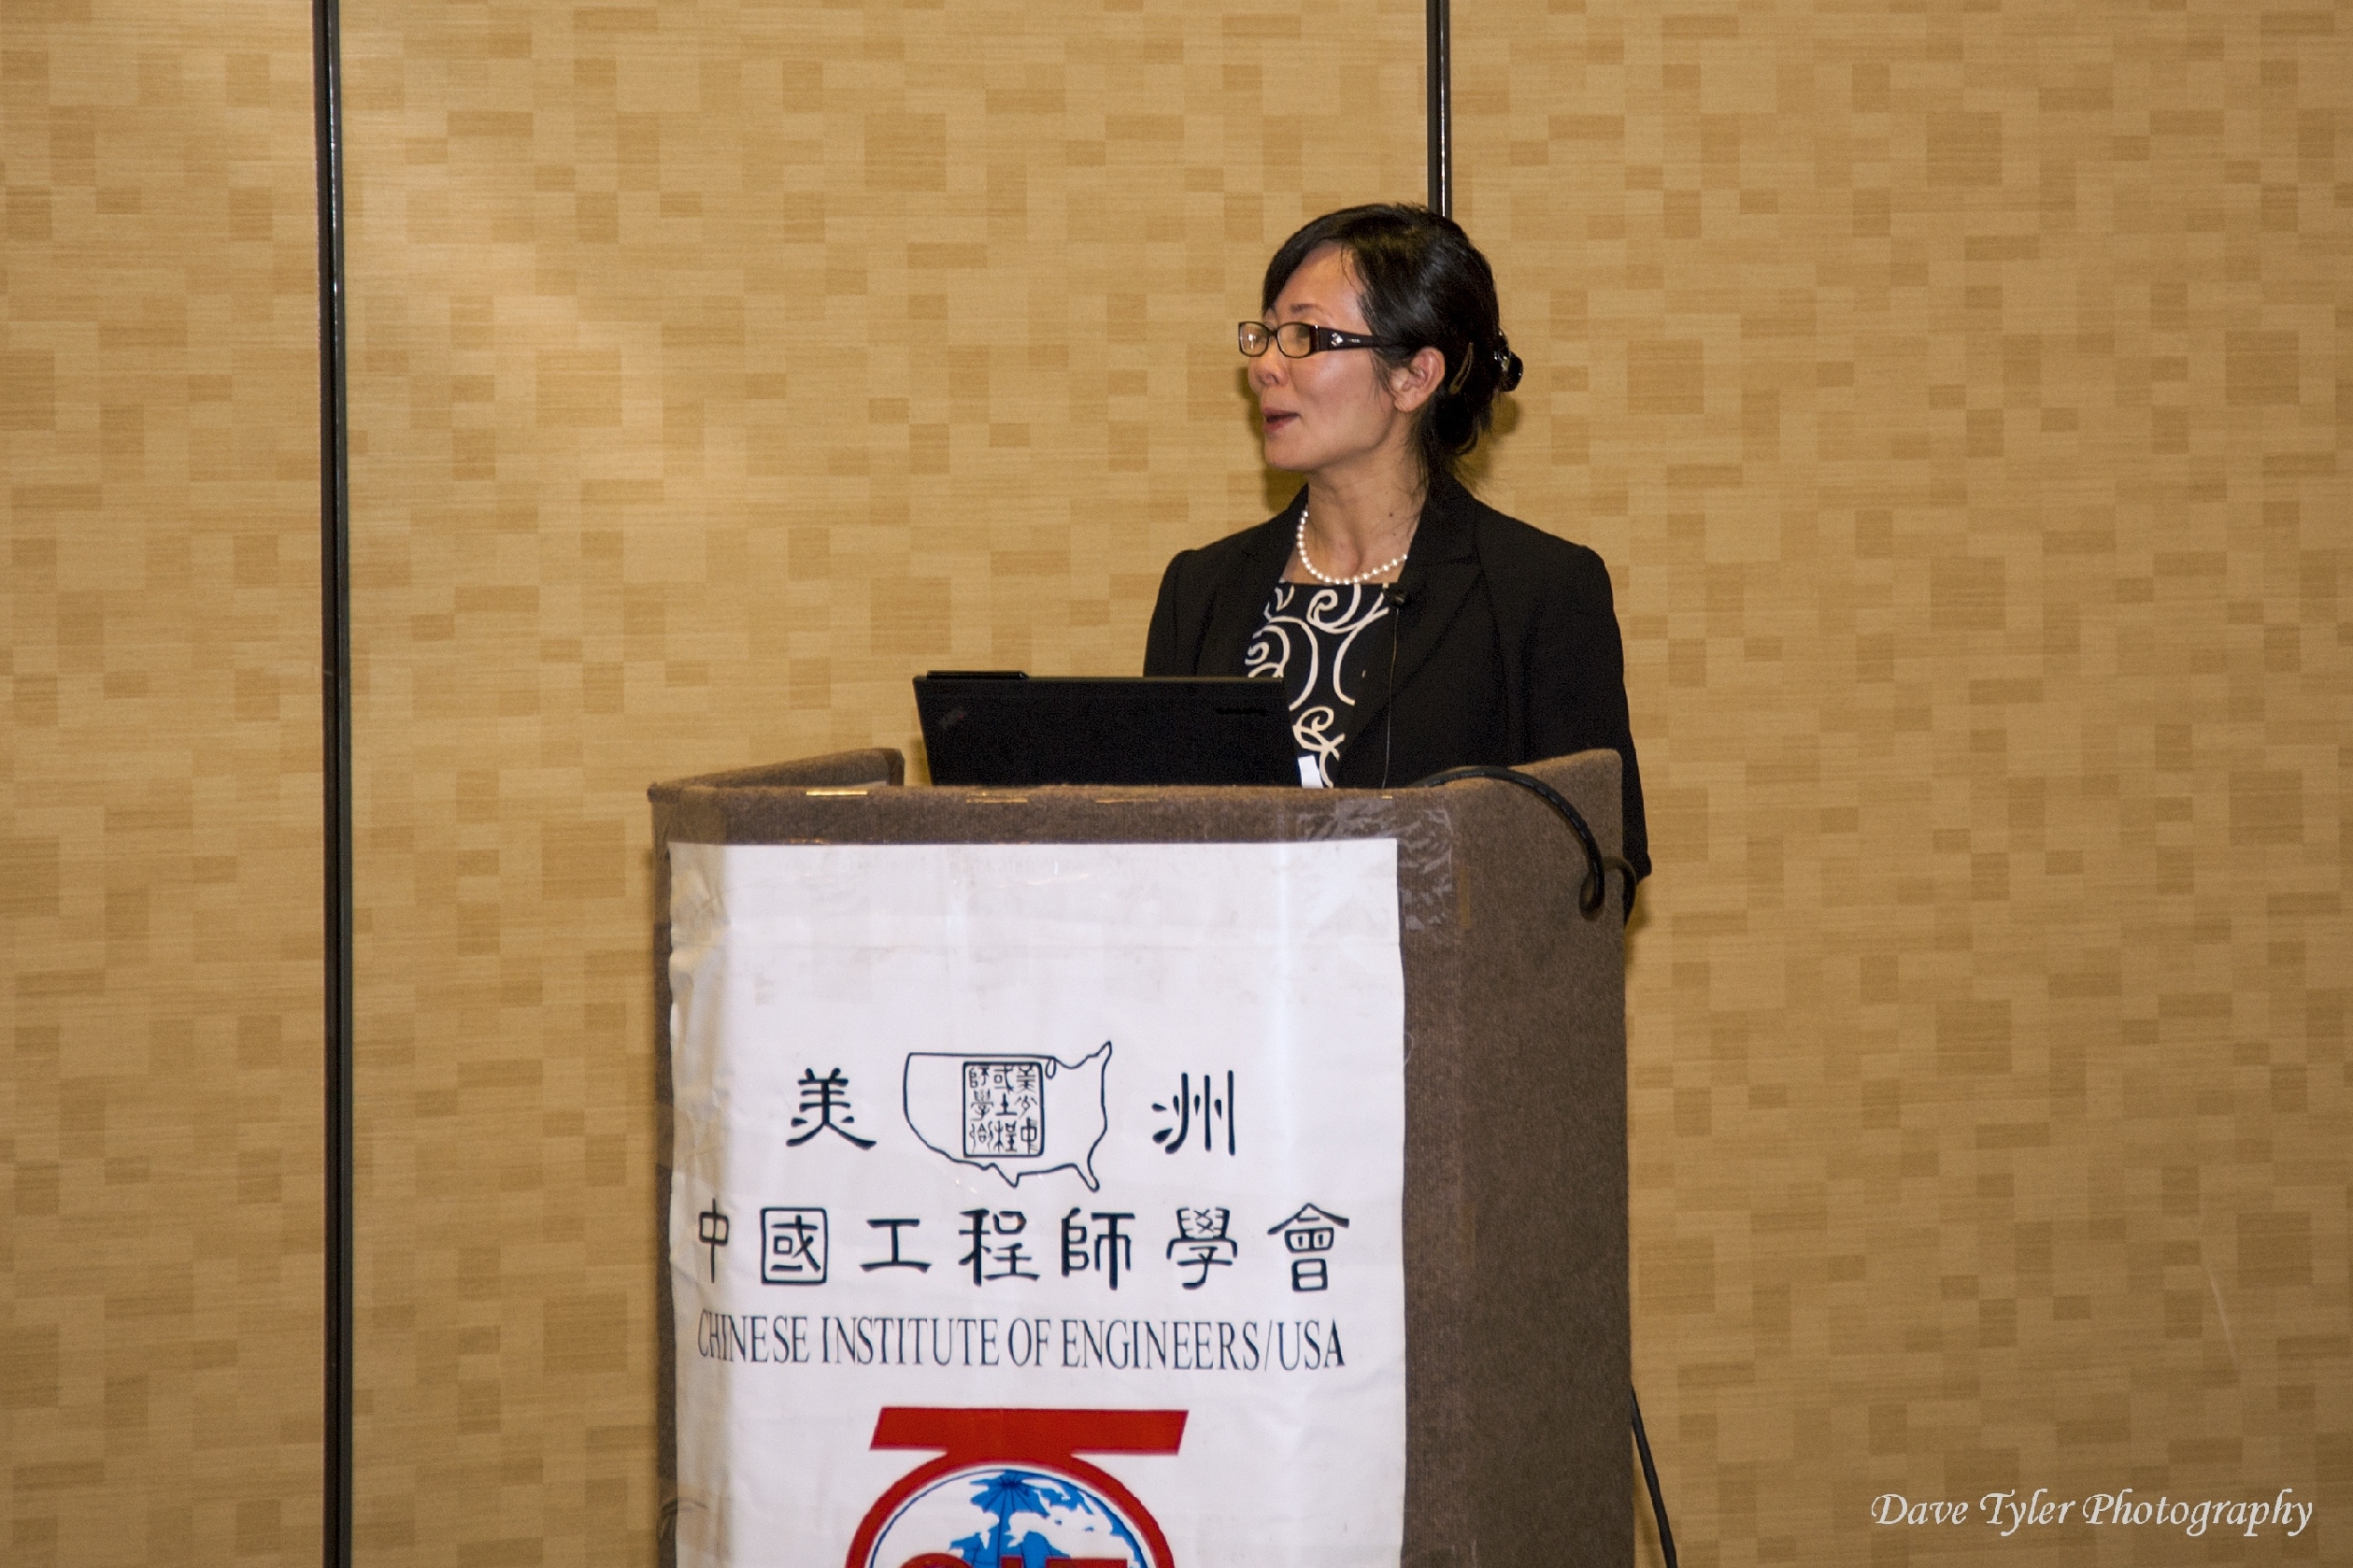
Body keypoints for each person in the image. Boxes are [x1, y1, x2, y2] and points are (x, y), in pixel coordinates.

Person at [1143, 203, 1650, 884]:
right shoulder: (1202, 590)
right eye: (1263, 335)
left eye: (1303, 336)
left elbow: (1599, 869)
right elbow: (1148, 842)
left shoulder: (1538, 592)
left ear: (1414, 376)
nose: (1265, 365)